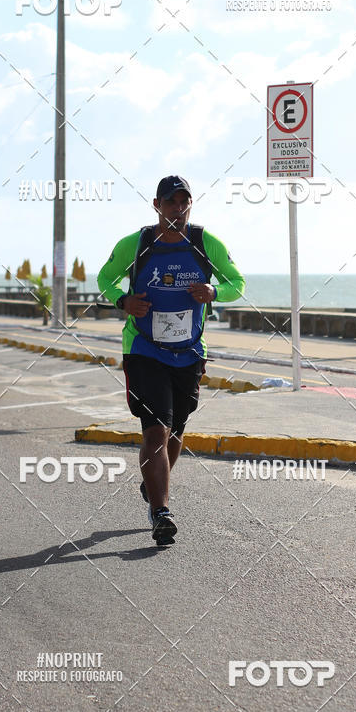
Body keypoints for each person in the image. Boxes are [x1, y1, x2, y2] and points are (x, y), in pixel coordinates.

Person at [97, 175, 245, 545]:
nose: (178, 209)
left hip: (189, 352)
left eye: (184, 202)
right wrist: (122, 301)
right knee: (156, 430)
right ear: (156, 205)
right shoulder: (136, 244)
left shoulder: (205, 243)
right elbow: (105, 278)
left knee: (177, 428)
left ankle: (153, 485)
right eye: (171, 203)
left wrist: (214, 291)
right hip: (144, 349)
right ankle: (161, 511)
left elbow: (236, 283)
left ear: (190, 205)